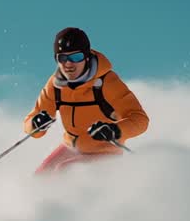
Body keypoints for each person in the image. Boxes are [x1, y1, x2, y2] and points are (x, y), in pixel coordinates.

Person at [24, 27, 149, 173]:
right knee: (42, 175)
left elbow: (140, 120)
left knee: (66, 170)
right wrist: (35, 123)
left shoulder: (106, 82)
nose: (69, 64)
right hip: (73, 146)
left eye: (76, 57)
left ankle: (75, 196)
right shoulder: (56, 85)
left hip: (106, 152)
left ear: (87, 56)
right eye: (62, 58)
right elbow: (34, 121)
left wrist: (115, 130)